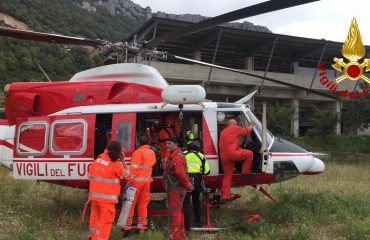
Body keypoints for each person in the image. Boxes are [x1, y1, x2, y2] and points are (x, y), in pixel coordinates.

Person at [87, 140, 127, 240]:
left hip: (95, 198)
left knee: (95, 218)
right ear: (118, 152)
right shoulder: (116, 164)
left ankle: (93, 237)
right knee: (106, 222)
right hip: (107, 200)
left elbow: (89, 175)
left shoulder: (99, 158)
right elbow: (127, 175)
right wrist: (123, 161)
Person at [122, 134, 156, 235]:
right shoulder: (152, 152)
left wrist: (128, 179)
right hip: (147, 183)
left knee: (130, 204)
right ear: (148, 142)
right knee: (143, 205)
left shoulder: (138, 152)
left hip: (136, 183)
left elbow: (134, 170)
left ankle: (126, 228)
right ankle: (141, 227)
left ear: (138, 143)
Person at [163, 137, 194, 240]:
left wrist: (187, 184)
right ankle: (180, 235)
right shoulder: (173, 156)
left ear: (176, 145)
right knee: (178, 212)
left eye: (169, 143)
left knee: (175, 213)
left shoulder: (177, 157)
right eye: (166, 143)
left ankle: (175, 237)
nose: (167, 145)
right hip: (174, 189)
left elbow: (179, 172)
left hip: (175, 190)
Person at [219, 118, 255, 204]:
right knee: (249, 153)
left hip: (224, 156)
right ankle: (245, 173)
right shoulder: (235, 128)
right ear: (235, 124)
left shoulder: (223, 131)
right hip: (232, 154)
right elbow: (247, 131)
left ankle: (224, 197)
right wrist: (252, 124)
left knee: (227, 176)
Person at [183, 140, 210, 230]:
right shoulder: (201, 156)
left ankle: (186, 224)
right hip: (197, 180)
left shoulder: (183, 154)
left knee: (185, 202)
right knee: (196, 201)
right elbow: (207, 171)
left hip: (185, 179)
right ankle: (198, 222)